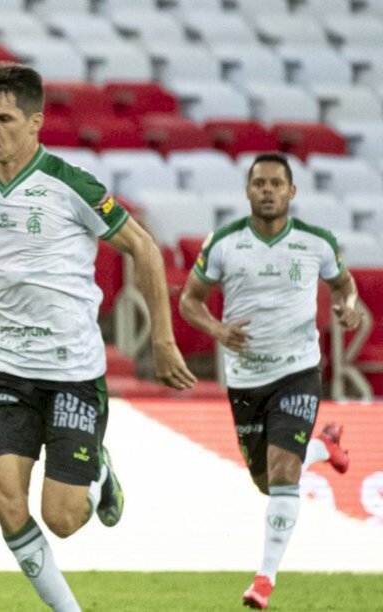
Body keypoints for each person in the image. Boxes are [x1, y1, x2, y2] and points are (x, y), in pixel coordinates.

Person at [0, 62, 196, 611]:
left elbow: (143, 247)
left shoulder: (69, 184)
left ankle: (97, 469)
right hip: (6, 368)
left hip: (72, 372)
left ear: (36, 122)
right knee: (5, 502)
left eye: (3, 118)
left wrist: (163, 340)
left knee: (64, 520)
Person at [179, 152, 358, 610]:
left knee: (282, 475)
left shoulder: (317, 243)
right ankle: (326, 447)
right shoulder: (223, 243)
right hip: (245, 379)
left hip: (298, 371)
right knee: (266, 479)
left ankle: (264, 578)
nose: (268, 190)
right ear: (247, 190)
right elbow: (189, 301)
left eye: (276, 183)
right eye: (259, 183)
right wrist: (218, 330)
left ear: (291, 192)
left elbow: (344, 285)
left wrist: (349, 305)